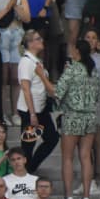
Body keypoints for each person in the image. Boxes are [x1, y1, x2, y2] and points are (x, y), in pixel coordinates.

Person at [52, 39, 100, 199]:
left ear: (78, 51)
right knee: (86, 157)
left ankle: (69, 198)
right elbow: (97, 96)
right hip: (90, 117)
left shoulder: (72, 70)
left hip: (73, 116)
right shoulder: (93, 71)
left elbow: (56, 92)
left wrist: (42, 76)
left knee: (67, 158)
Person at [16, 29, 58, 173]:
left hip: (41, 108)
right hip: (30, 110)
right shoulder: (26, 62)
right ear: (30, 43)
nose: (41, 41)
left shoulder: (36, 61)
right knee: (28, 145)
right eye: (37, 39)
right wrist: (32, 114)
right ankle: (24, 173)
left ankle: (30, 168)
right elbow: (26, 89)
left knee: (52, 138)